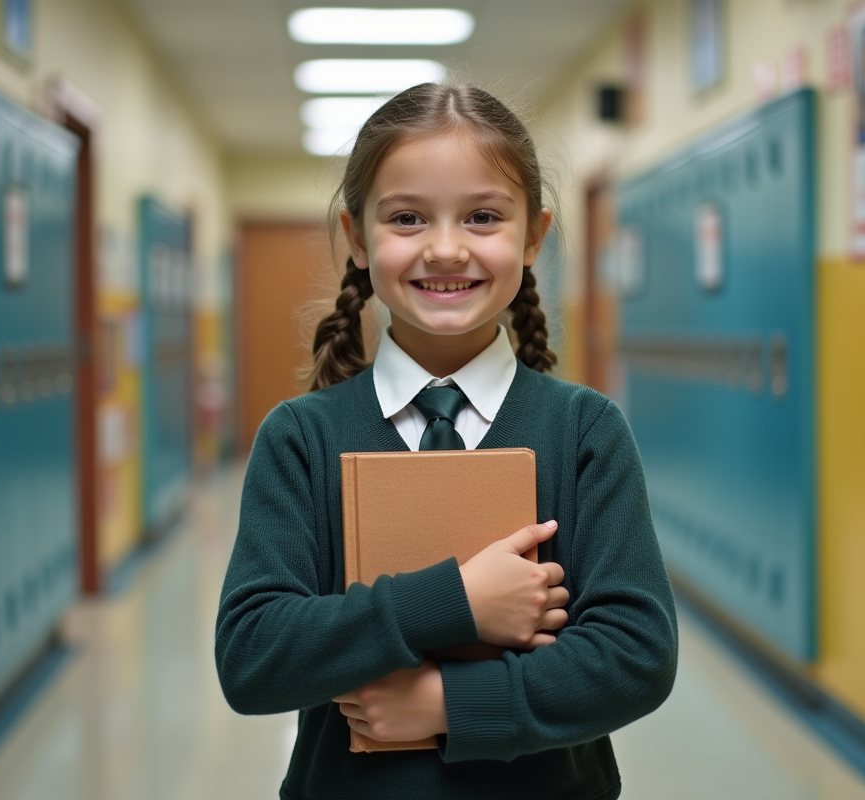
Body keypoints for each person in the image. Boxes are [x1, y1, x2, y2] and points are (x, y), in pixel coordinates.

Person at [214, 83, 677, 800]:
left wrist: (450, 706)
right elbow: (252, 657)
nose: (446, 248)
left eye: (484, 216)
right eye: (406, 218)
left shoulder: (585, 432)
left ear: (534, 237)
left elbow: (634, 657)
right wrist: (455, 600)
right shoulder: (301, 439)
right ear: (359, 238)